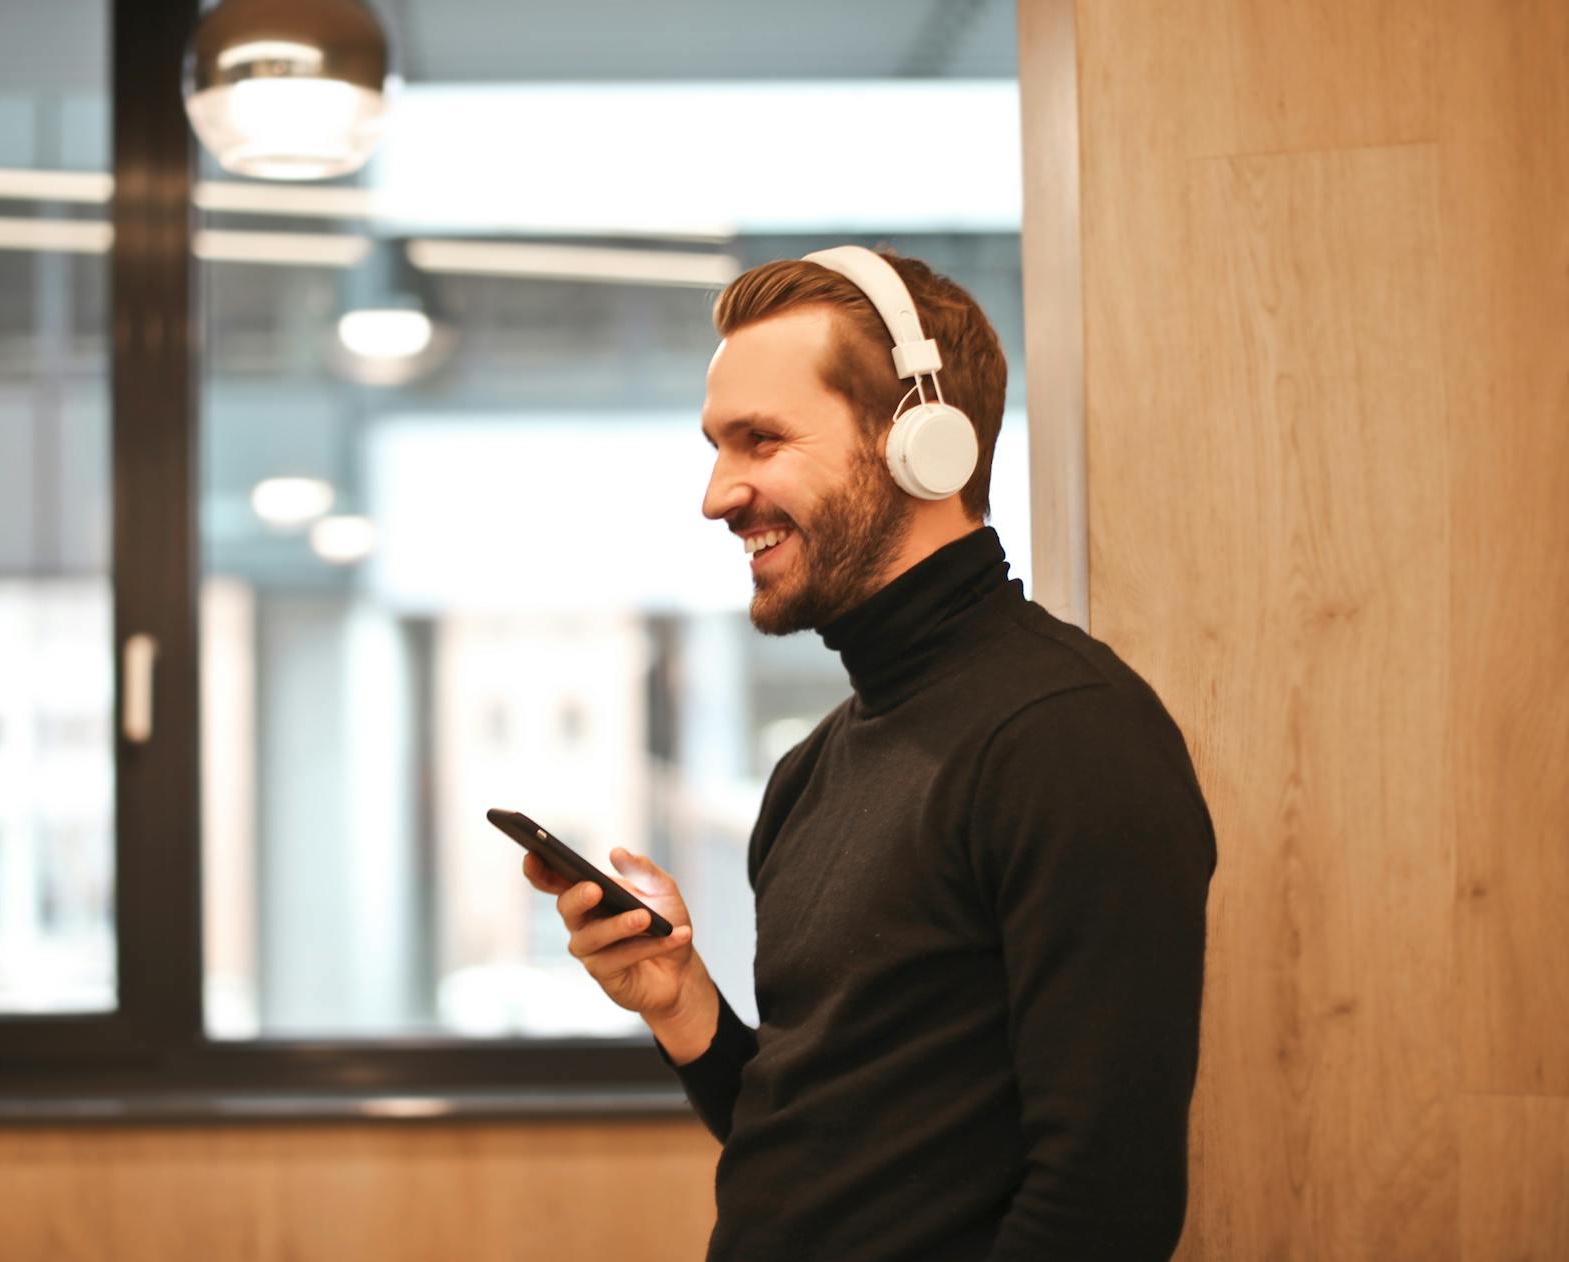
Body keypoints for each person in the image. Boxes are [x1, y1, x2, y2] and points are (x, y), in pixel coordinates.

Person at [520, 246, 1216, 1261]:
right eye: (717, 447)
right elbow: (817, 1154)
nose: (717, 495)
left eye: (761, 439)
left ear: (923, 440)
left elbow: (1107, 1205)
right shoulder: (810, 773)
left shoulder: (1069, 738)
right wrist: (681, 1000)